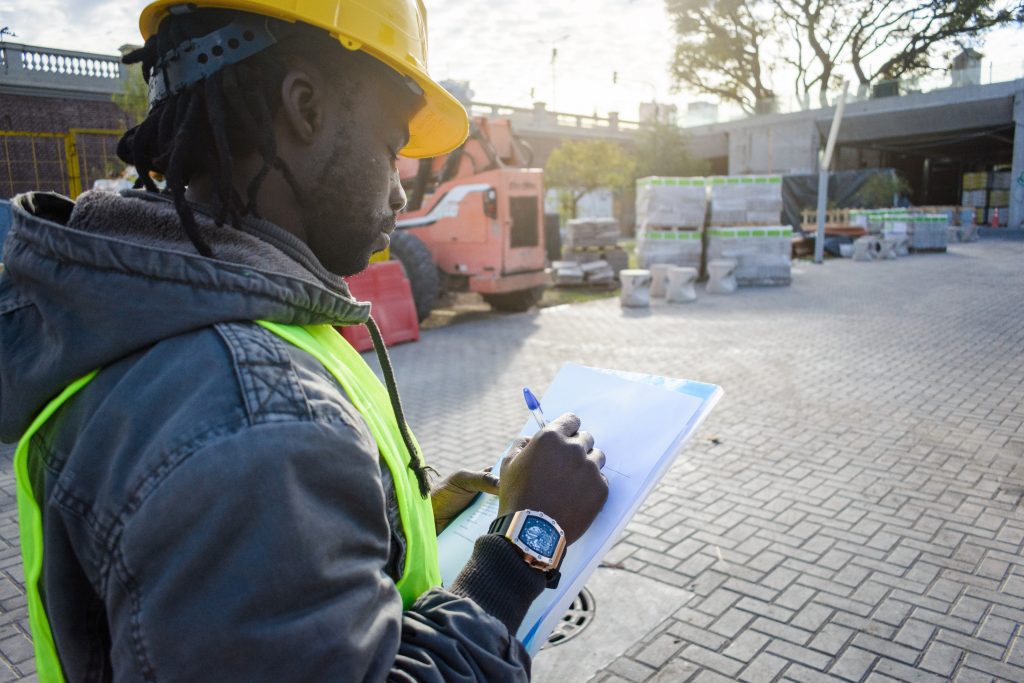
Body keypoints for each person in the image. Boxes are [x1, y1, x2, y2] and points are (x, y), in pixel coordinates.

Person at [0, 1, 608, 680]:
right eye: (391, 146)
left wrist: (384, 531)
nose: (401, 193)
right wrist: (525, 542)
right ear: (306, 108)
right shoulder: (256, 419)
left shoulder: (164, 321)